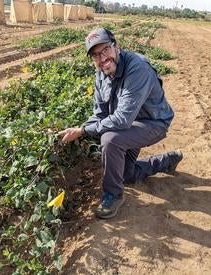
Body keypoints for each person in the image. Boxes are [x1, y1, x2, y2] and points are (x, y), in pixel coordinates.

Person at [58, 28, 183, 219]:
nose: (102, 59)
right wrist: (78, 129)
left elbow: (122, 119)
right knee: (126, 175)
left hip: (153, 123)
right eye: (95, 56)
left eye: (105, 50)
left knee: (110, 139)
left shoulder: (138, 68)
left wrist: (83, 131)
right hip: (131, 125)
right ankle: (166, 161)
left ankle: (113, 195)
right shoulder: (101, 73)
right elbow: (99, 113)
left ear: (117, 47)